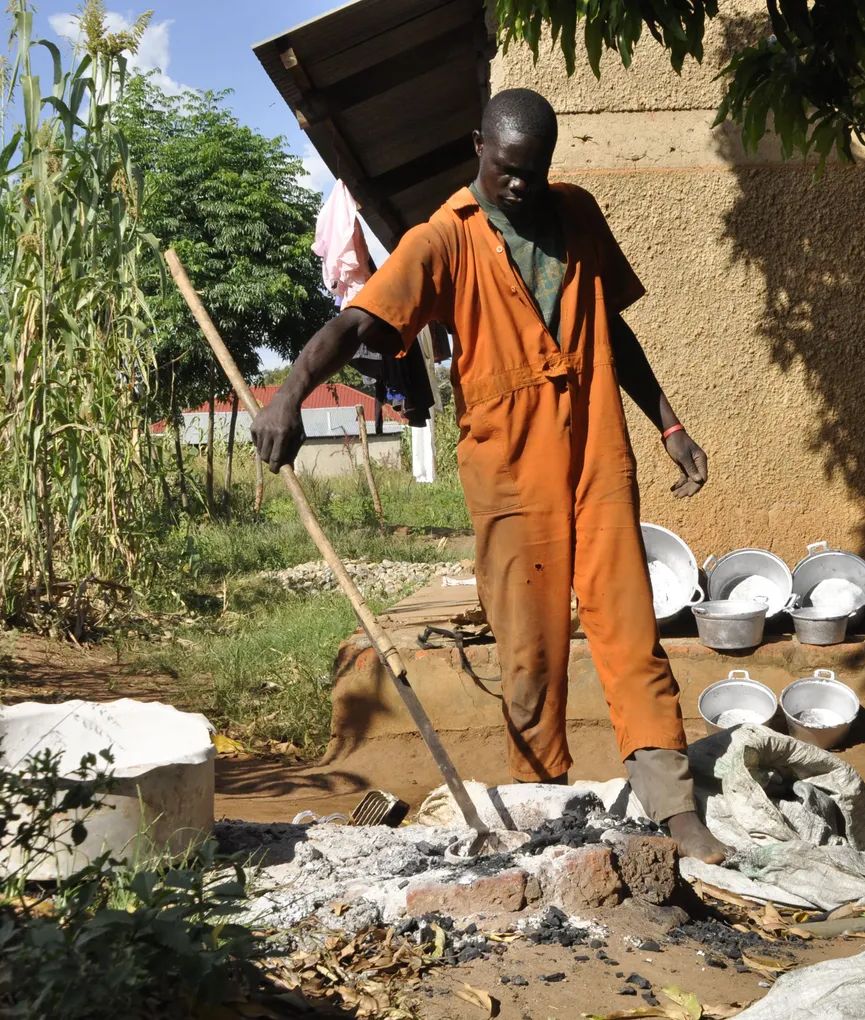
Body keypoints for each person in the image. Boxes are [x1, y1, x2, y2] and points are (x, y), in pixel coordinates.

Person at [252, 88, 727, 863]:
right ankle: (546, 810)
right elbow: (357, 322)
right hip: (510, 474)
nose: (520, 185)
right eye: (508, 169)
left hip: (598, 454)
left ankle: (676, 810)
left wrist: (669, 423)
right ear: (479, 145)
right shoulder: (442, 241)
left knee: (632, 631)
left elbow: (613, 324)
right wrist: (289, 393)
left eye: (534, 171)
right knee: (529, 658)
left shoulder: (577, 214)